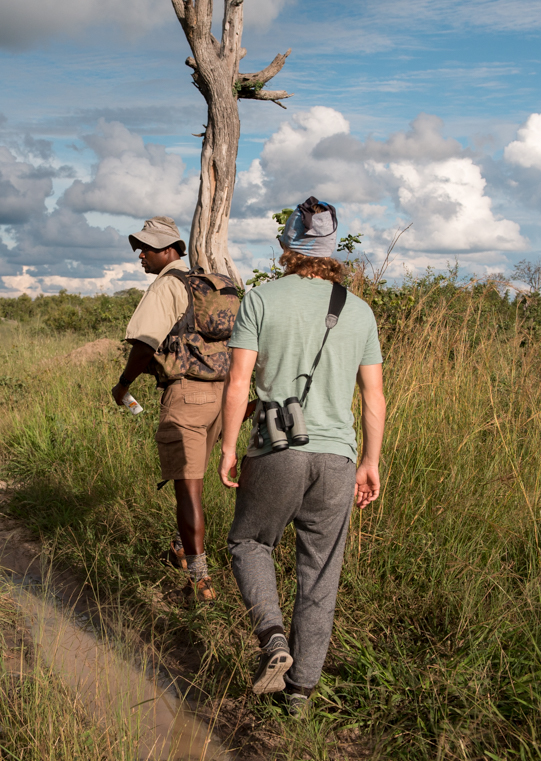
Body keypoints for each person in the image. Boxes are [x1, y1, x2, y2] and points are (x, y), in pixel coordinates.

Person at [219, 197, 386, 717]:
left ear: (287, 246)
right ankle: (300, 697)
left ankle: (272, 640)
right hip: (338, 458)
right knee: (320, 573)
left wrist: (228, 448)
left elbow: (239, 380)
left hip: (277, 449)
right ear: (333, 248)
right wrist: (370, 462)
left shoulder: (261, 299)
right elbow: (374, 398)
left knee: (249, 541)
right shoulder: (358, 311)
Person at [111, 216, 229, 603]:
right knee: (194, 481)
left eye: (147, 248)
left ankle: (200, 583)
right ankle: (181, 548)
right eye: (138, 249)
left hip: (187, 396)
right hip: (222, 395)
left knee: (188, 489)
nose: (140, 255)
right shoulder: (207, 283)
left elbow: (144, 344)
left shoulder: (167, 285)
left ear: (171, 250)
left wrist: (123, 384)